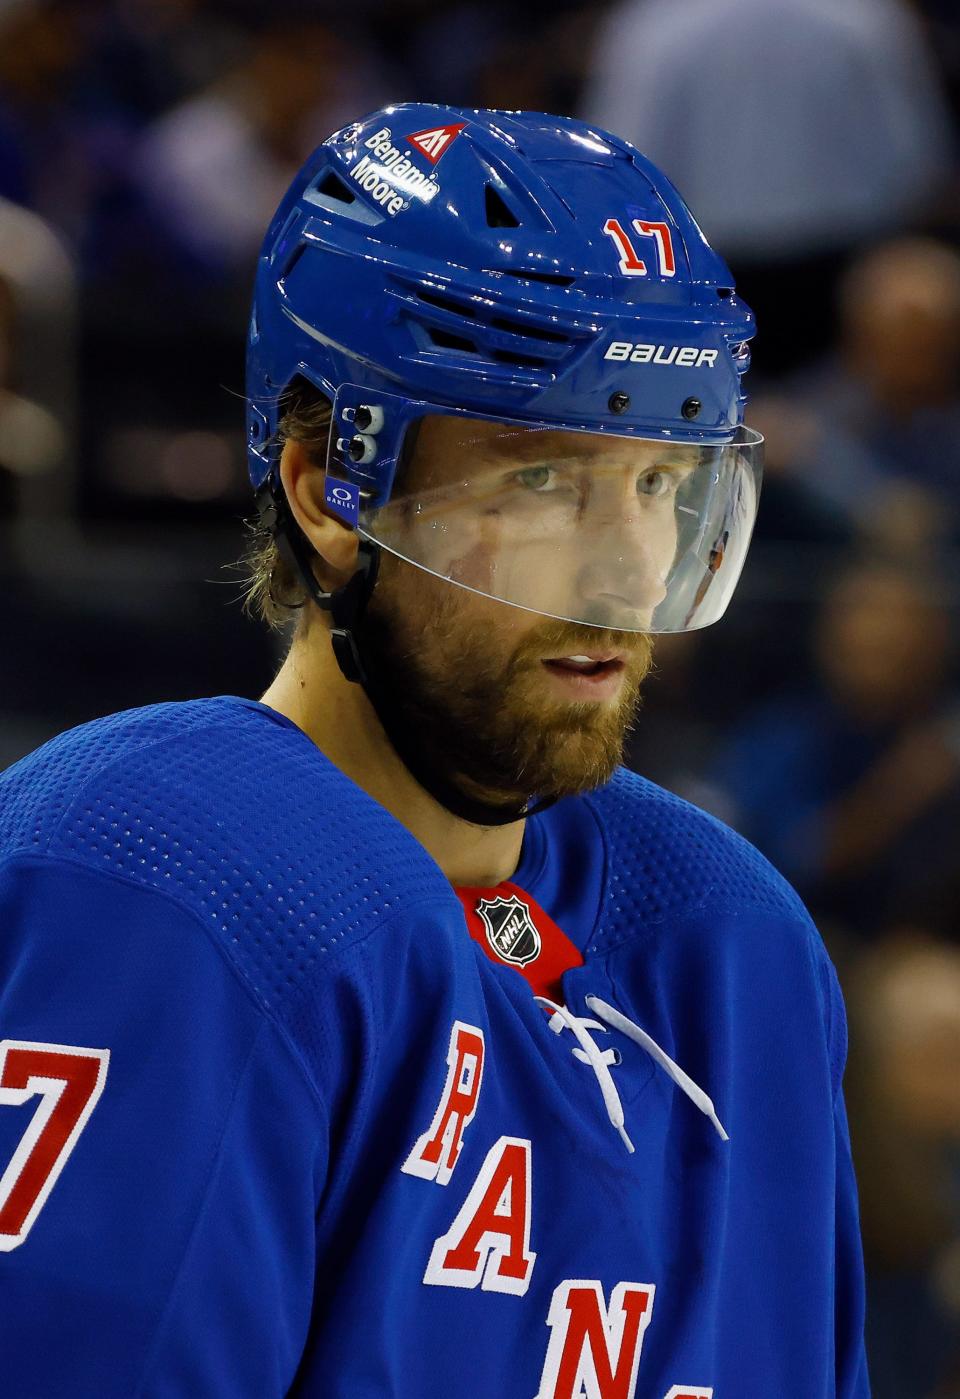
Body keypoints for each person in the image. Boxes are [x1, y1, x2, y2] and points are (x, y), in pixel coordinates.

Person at [0, 104, 868, 1396]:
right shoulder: (158, 876)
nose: (627, 570)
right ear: (325, 487)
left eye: (656, 483)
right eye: (542, 481)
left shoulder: (733, 945)